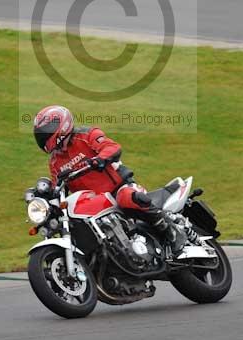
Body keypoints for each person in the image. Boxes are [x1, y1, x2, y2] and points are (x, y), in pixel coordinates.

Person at [33, 105, 190, 256]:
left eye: (45, 134)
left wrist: (100, 159)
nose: (43, 139)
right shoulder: (55, 162)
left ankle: (172, 231)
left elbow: (112, 147)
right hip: (93, 202)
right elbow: (57, 186)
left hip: (118, 188)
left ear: (61, 127)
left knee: (127, 197)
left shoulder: (87, 135)